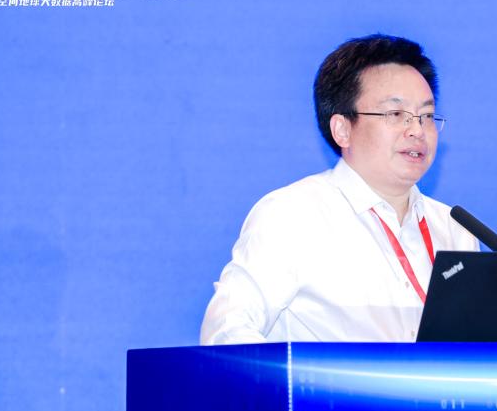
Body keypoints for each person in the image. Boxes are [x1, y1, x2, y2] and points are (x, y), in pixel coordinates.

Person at [200, 34, 478, 344]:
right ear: (342, 129)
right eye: (396, 114)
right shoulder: (291, 215)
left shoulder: (454, 230)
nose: (417, 130)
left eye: (426, 116)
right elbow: (225, 331)